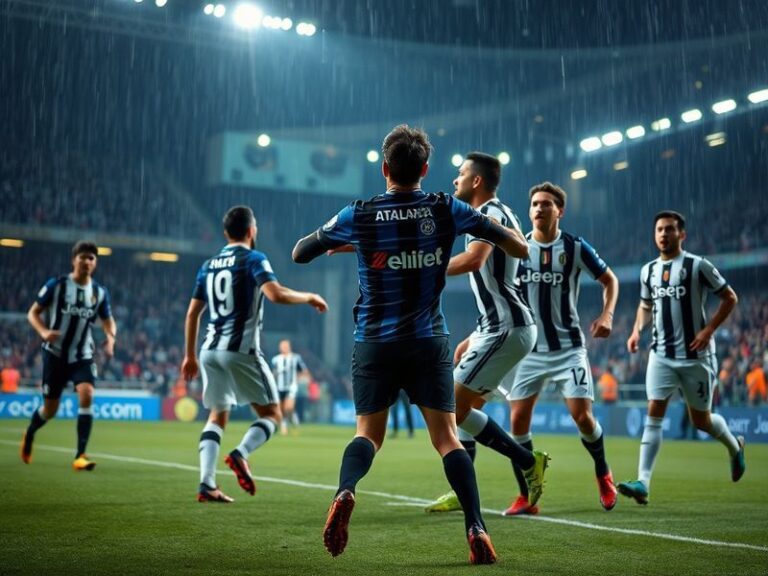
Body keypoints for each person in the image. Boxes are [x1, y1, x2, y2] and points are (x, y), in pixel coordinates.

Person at [293, 126, 537, 564]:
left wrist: (356, 242)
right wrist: (484, 237)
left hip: (374, 343)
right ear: (425, 169)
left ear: (385, 168)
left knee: (368, 435)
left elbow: (300, 252)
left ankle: (346, 491)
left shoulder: (359, 214)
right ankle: (476, 527)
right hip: (427, 341)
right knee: (447, 439)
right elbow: (518, 248)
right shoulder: (447, 208)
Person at [423, 154, 550, 515]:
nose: (455, 180)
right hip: (497, 327)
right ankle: (464, 489)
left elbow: (474, 260)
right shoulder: (494, 214)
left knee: (450, 406)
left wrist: (424, 270)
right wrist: (474, 335)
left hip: (506, 328)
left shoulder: (489, 216)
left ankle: (527, 461)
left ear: (477, 181)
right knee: (461, 408)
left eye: (461, 174)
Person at [182, 206, 328, 503]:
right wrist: (308, 296)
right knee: (272, 415)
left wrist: (189, 355)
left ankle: (206, 484)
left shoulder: (208, 265)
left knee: (217, 415)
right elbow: (276, 294)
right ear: (251, 230)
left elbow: (193, 313)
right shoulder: (253, 258)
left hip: (209, 350)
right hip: (241, 350)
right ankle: (240, 453)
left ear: (226, 233)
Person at [503, 182, 619, 515]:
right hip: (529, 350)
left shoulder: (575, 247)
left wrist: (607, 314)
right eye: (535, 204)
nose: (539, 208)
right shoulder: (518, 247)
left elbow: (609, 279)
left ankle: (603, 474)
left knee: (582, 417)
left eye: (546, 204)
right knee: (518, 423)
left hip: (568, 347)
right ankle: (527, 496)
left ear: (560, 210)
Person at [618, 210, 745, 505]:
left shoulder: (698, 265)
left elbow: (730, 297)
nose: (664, 234)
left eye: (670, 229)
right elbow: (645, 305)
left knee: (700, 420)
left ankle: (734, 447)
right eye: (660, 229)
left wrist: (709, 330)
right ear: (655, 235)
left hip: (696, 356)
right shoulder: (647, 270)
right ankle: (643, 482)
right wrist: (637, 330)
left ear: (681, 234)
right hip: (661, 354)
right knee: (654, 411)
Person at [20, 240, 117, 471]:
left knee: (87, 393)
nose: (87, 261)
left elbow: (108, 320)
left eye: (91, 258)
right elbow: (32, 313)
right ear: (74, 260)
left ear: (95, 263)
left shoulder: (99, 293)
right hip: (55, 355)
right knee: (50, 410)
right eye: (82, 257)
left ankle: (80, 455)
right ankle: (30, 432)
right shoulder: (57, 285)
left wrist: (111, 338)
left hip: (82, 354)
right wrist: (43, 331)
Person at [271, 339, 311, 434]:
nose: (284, 348)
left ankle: (292, 418)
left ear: (289, 347)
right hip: (279, 387)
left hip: (291, 386)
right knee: (281, 408)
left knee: (288, 407)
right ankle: (285, 424)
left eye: (285, 346)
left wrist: (300, 380)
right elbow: (273, 372)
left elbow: (304, 370)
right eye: (282, 346)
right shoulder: (276, 359)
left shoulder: (296, 358)